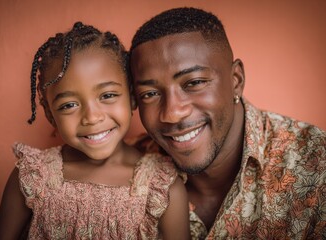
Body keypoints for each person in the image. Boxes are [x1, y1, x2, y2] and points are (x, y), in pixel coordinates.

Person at [129, 7, 326, 239]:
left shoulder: (316, 165)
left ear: (236, 81)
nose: (172, 114)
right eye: (150, 94)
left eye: (194, 82)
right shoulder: (125, 172)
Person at [0, 22, 190, 240]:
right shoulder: (32, 177)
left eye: (107, 95)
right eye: (69, 105)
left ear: (132, 97)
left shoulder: (162, 187)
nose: (92, 118)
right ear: (50, 116)